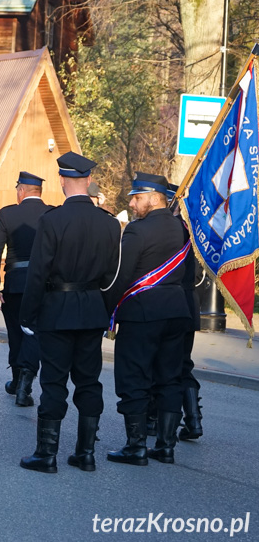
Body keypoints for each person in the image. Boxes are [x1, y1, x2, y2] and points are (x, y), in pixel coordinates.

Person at [18, 152, 121, 473]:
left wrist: (27, 315)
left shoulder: (51, 221)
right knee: (89, 381)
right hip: (91, 309)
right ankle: (85, 453)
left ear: (62, 181)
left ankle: (46, 455)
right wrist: (103, 311)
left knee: (54, 381)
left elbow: (37, 274)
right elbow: (113, 277)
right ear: (89, 181)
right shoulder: (109, 223)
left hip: (56, 311)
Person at [105, 173, 192, 466]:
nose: (132, 203)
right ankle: (166, 447)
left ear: (155, 198)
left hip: (142, 313)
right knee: (170, 379)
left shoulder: (136, 231)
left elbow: (121, 276)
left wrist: (108, 309)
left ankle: (136, 446)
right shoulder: (183, 228)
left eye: (137, 197)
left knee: (133, 377)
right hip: (177, 310)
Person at [0, 171, 53, 406]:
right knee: (33, 333)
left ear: (21, 190)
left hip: (14, 284)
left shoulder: (7, 213)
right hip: (43, 285)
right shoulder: (52, 212)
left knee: (16, 333)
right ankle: (24, 384)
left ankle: (17, 380)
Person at [167, 185, 203, 441]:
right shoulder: (195, 233)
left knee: (162, 363)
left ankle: (156, 420)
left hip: (171, 302)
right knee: (183, 365)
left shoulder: (169, 231)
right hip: (189, 302)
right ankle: (193, 420)